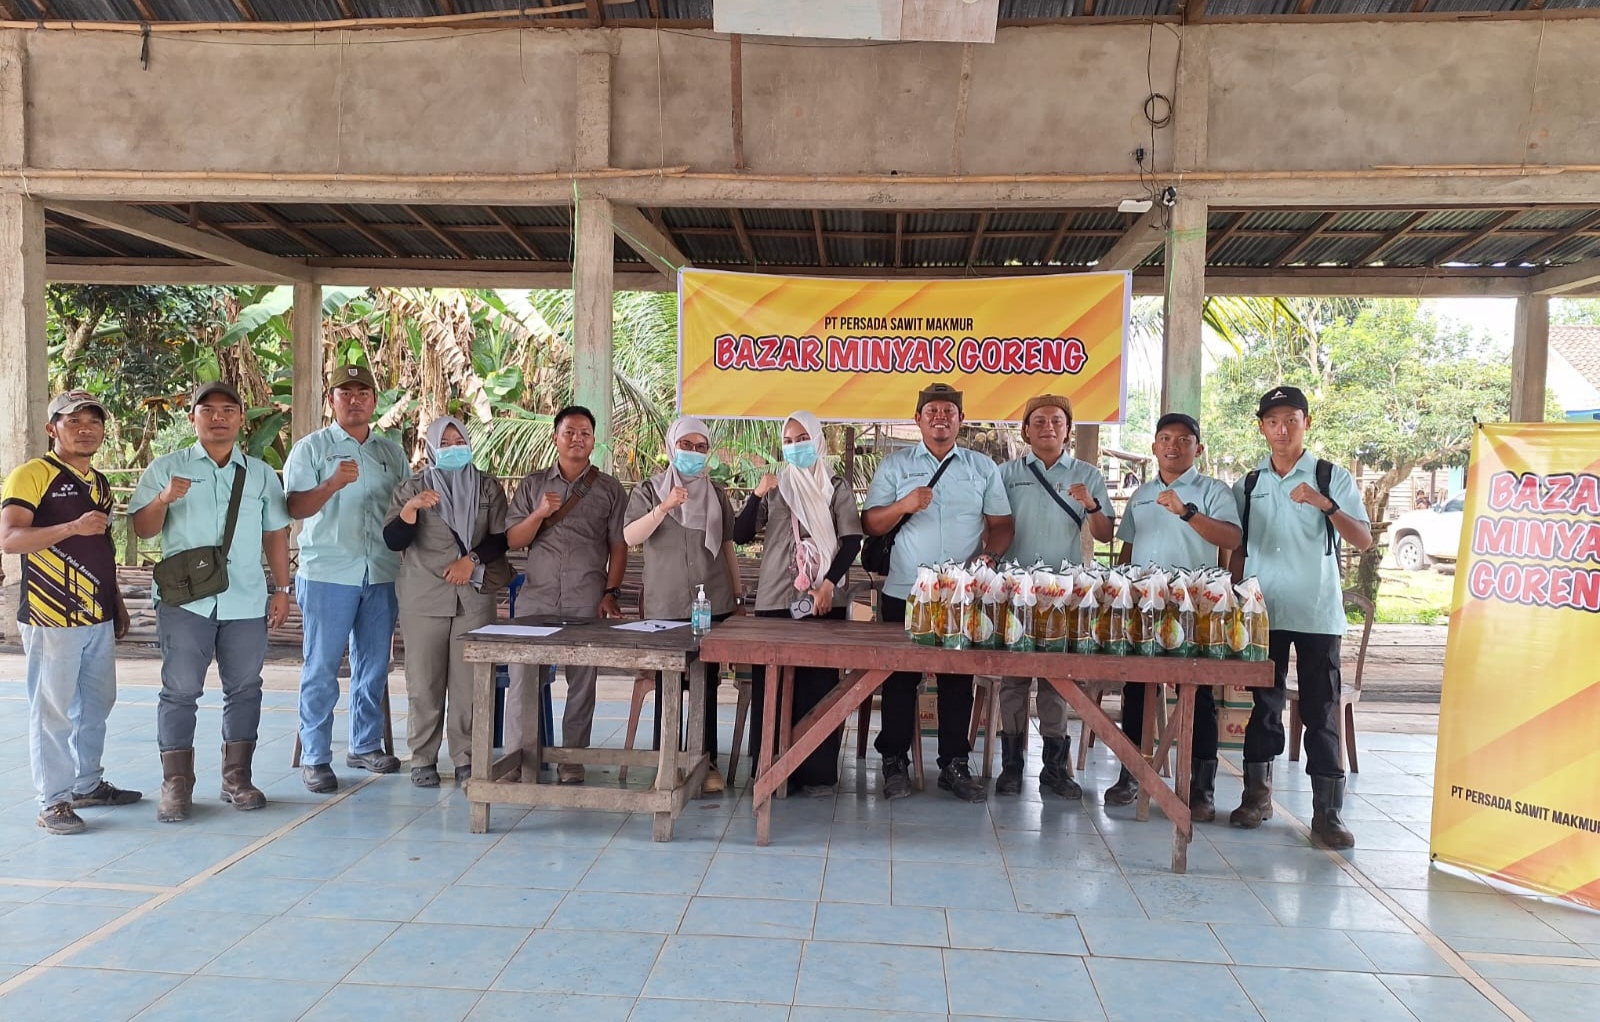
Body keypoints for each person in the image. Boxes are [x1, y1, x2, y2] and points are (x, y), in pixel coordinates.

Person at [130, 381, 291, 823]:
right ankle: (176, 784)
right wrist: (164, 499)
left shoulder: (258, 474)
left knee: (245, 688)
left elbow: (275, 533)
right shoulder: (166, 468)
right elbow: (142, 530)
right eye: (208, 409)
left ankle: (237, 777)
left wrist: (281, 588)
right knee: (180, 691)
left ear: (241, 419)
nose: (218, 417)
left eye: (228, 409)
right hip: (185, 603)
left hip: (244, 599)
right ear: (193, 417)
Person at [1229, 385, 1373, 849]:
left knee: (1321, 712)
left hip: (1316, 614)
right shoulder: (1249, 485)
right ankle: (1256, 798)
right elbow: (1236, 548)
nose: (1282, 429)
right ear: (1262, 428)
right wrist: (1235, 598)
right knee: (1263, 709)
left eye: (1291, 420)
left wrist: (1325, 505)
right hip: (1263, 613)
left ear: (1306, 423)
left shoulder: (1331, 477)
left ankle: (1327, 814)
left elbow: (1363, 540)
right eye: (1273, 422)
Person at [862, 383, 1013, 802]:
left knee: (956, 681)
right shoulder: (895, 466)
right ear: (918, 419)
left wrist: (991, 557)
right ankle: (894, 761)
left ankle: (954, 764)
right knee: (898, 679)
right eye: (931, 411)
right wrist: (903, 506)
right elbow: (872, 523)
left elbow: (1001, 525)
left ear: (961, 420)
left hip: (961, 596)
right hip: (905, 591)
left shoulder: (983, 468)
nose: (940, 417)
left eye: (949, 411)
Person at [1, 391, 140, 835]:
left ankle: (87, 785)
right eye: (73, 420)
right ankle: (53, 802)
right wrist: (71, 527)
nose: (85, 429)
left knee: (97, 703)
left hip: (95, 614)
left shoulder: (97, 481)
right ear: (51, 429)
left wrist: (114, 602)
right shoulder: (31, 475)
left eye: (93, 421)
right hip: (50, 615)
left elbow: (100, 546)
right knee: (54, 710)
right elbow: (9, 538)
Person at [1104, 412, 1241, 816]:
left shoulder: (1214, 491)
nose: (1173, 446)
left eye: (1184, 440)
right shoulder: (1141, 494)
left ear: (1198, 449)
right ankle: (1132, 774)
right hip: (1145, 606)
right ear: (1153, 447)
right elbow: (1127, 551)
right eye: (1165, 438)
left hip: (1195, 607)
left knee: (1195, 696)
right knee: (1136, 692)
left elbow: (1232, 538)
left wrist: (1187, 513)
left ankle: (1201, 787)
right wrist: (1120, 591)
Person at [283, 364, 408, 794]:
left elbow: (405, 511)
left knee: (374, 665)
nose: (354, 400)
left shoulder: (391, 453)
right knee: (321, 667)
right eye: (345, 393)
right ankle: (317, 757)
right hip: (328, 573)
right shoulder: (311, 449)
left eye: (363, 393)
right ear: (331, 400)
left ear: (375, 401)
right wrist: (332, 483)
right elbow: (296, 508)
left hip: (382, 571)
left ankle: (365, 744)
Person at [731, 411, 864, 796]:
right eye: (788, 440)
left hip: (823, 601)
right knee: (769, 685)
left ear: (818, 440)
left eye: (802, 438)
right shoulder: (776, 487)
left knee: (818, 688)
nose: (795, 446)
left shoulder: (835, 486)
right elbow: (740, 535)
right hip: (775, 600)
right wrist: (757, 493)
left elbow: (851, 541)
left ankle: (816, 771)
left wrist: (827, 585)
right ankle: (769, 768)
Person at [994, 394, 1113, 800]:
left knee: (1056, 681)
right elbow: (991, 524)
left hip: (1062, 596)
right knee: (1012, 680)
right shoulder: (1005, 473)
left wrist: (1091, 504)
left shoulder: (1087, 474)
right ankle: (1011, 767)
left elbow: (1105, 533)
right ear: (1026, 430)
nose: (1048, 426)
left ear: (1068, 429)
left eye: (1057, 421)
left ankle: (1054, 769)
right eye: (1039, 421)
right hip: (1013, 590)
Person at [384, 416, 511, 788]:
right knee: (424, 682)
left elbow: (502, 539)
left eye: (460, 440)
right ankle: (423, 757)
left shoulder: (487, 487)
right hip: (423, 597)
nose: (455, 447)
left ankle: (466, 757)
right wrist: (411, 510)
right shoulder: (412, 487)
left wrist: (469, 561)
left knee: (470, 684)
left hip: (473, 595)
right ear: (432, 447)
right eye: (447, 441)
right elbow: (393, 540)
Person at [504, 405, 628, 784]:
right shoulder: (533, 484)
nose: (578, 439)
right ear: (556, 438)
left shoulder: (609, 489)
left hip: (586, 597)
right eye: (570, 432)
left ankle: (572, 760)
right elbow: (512, 540)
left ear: (594, 440)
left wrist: (611, 592)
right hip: (536, 598)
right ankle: (517, 760)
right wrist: (539, 513)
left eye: (585, 433)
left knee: (583, 682)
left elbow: (619, 546)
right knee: (523, 677)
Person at [623, 415, 741, 795]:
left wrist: (738, 598)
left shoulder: (717, 493)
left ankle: (705, 762)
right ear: (672, 446)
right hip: (666, 603)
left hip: (712, 601)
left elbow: (727, 547)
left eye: (701, 447)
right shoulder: (649, 489)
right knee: (666, 681)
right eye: (686, 445)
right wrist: (664, 506)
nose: (693, 453)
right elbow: (629, 537)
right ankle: (667, 760)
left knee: (706, 683)